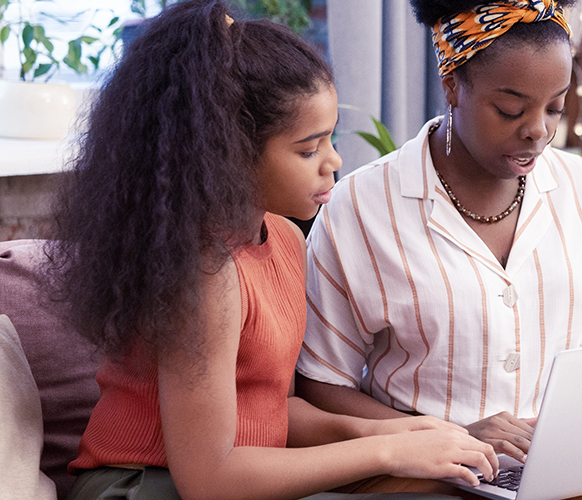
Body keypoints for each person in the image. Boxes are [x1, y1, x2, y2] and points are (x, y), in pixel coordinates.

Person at [43, 2, 499, 499]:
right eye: (308, 149)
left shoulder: (283, 238)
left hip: (235, 478)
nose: (333, 162)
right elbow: (208, 478)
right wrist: (385, 453)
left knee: (434, 485)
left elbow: (273, 410)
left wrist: (391, 432)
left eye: (331, 139)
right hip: (145, 485)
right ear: (229, 153)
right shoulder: (205, 271)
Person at [294, 1, 582, 499]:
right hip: (429, 467)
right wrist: (449, 437)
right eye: (511, 109)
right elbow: (323, 384)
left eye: (554, 106)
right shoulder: (362, 208)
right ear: (453, 84)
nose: (538, 130)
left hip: (572, 453)